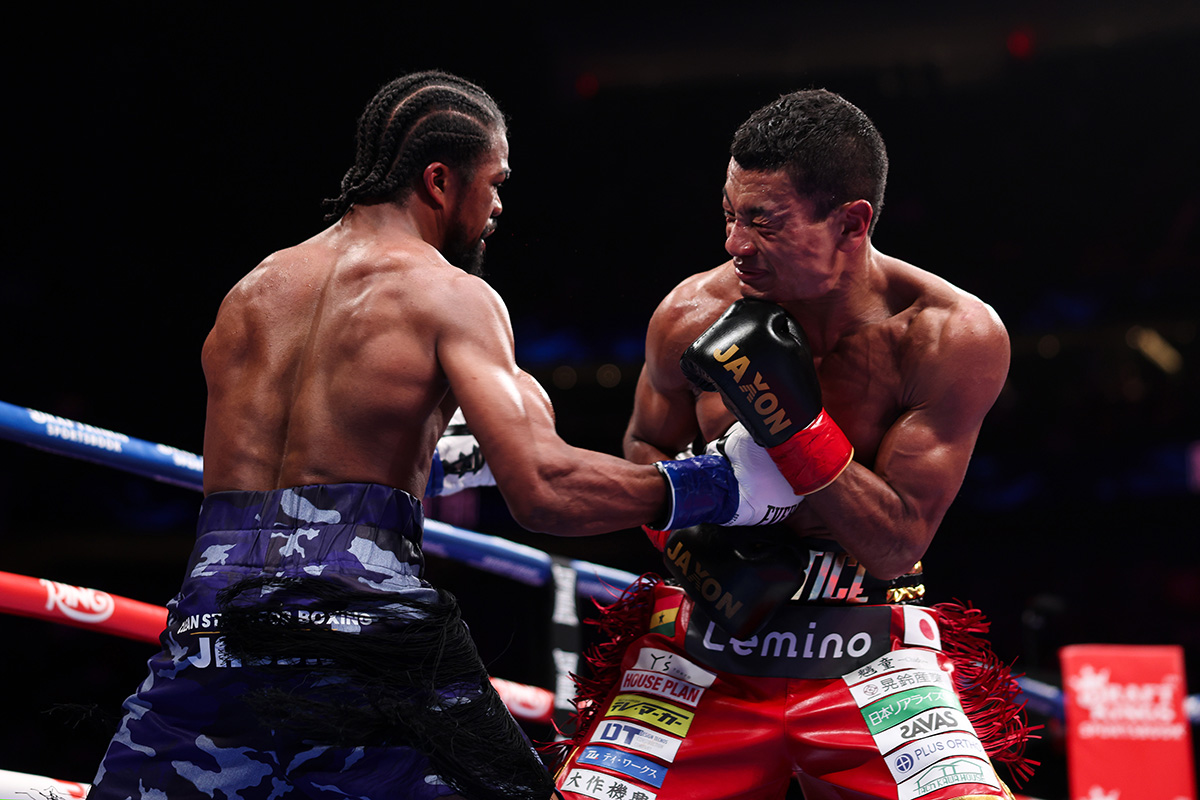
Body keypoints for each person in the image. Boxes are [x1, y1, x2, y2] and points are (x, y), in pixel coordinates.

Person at [87, 71, 804, 800]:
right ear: (439, 180)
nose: (497, 206)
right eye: (493, 182)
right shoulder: (449, 293)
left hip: (211, 628)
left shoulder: (251, 292)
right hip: (364, 622)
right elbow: (546, 492)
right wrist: (719, 485)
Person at [553, 90, 1032, 800]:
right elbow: (645, 450)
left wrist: (793, 425)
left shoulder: (947, 335)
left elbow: (898, 541)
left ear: (851, 222)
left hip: (867, 645)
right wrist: (694, 553)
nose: (734, 244)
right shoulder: (692, 315)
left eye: (763, 221)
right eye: (729, 213)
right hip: (710, 642)